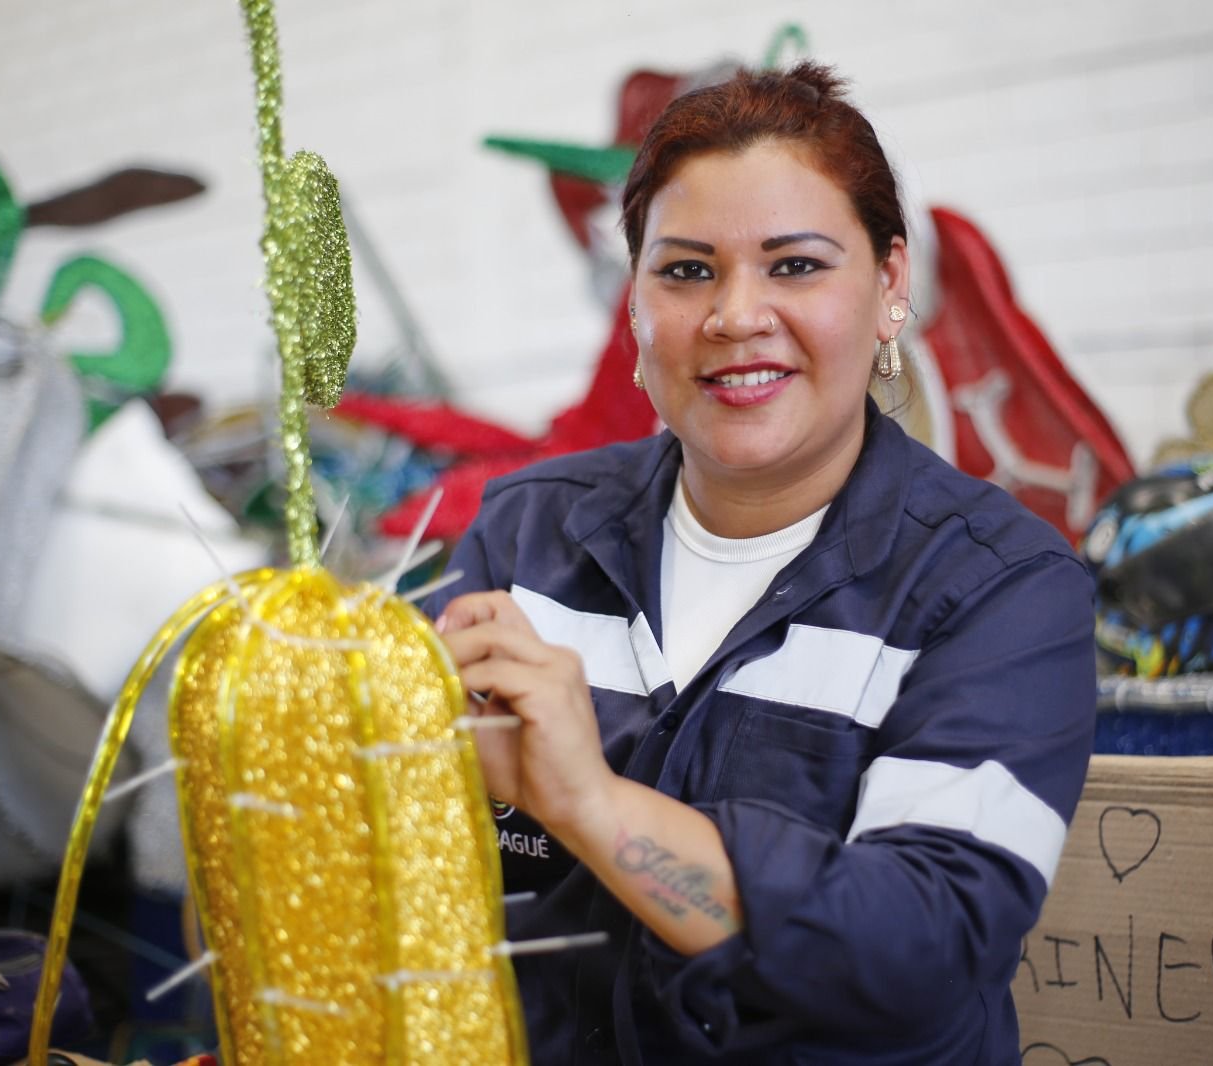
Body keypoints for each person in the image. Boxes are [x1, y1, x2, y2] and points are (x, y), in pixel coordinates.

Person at [426, 61, 1096, 1065]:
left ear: (888, 288)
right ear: (637, 312)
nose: (735, 315)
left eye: (794, 265)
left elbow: (917, 950)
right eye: (687, 269)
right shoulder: (524, 541)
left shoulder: (999, 588)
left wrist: (589, 801)